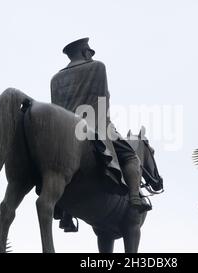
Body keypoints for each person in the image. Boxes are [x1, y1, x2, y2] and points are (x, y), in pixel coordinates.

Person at [50, 38, 151, 232]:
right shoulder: (97, 67)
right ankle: (135, 197)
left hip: (63, 132)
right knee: (130, 155)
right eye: (90, 51)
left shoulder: (55, 79)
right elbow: (102, 100)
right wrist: (106, 126)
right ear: (86, 52)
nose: (91, 54)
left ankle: (65, 212)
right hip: (94, 125)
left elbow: (56, 109)